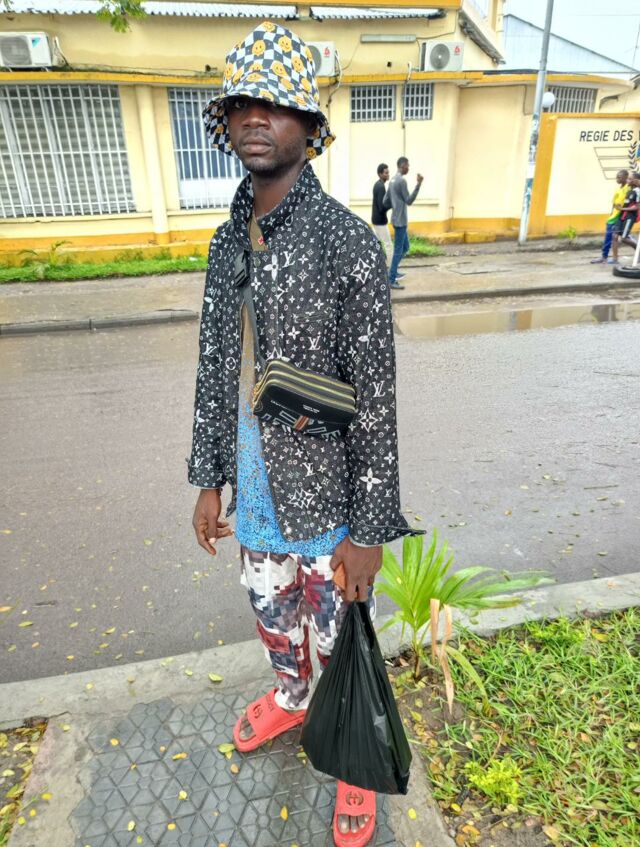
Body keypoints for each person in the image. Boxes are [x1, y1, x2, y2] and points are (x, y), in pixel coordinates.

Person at [188, 21, 415, 847]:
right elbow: (216, 365)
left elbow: (376, 399)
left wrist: (369, 529)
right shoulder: (226, 242)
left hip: (329, 503)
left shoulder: (347, 243)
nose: (258, 117)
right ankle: (291, 696)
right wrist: (209, 477)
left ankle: (352, 752)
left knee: (338, 630)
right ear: (227, 123)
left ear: (310, 129)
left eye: (278, 105)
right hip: (254, 494)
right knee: (271, 611)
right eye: (243, 104)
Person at [386, 156, 423, 289]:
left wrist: (394, 207)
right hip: (401, 221)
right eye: (408, 165)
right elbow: (409, 201)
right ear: (402, 166)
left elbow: (386, 200)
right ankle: (391, 279)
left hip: (396, 219)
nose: (409, 168)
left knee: (406, 247)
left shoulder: (392, 180)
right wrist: (418, 184)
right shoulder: (401, 181)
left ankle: (393, 271)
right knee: (398, 250)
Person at [590, 169, 628, 264]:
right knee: (613, 236)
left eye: (619, 177)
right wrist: (611, 214)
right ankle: (604, 256)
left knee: (618, 236)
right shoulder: (618, 189)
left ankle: (605, 257)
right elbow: (614, 204)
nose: (617, 179)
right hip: (613, 216)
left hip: (620, 216)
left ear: (625, 177)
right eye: (617, 177)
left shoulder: (627, 188)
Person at [611, 171, 639, 265]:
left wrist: (622, 208)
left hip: (629, 217)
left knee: (623, 238)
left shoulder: (637, 191)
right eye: (627, 178)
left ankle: (638, 251)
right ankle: (615, 259)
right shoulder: (629, 189)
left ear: (635, 181)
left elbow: (637, 207)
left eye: (630, 179)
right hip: (622, 215)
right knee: (615, 236)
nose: (627, 180)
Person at [371, 162, 393, 262]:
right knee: (388, 244)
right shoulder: (380, 187)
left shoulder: (378, 184)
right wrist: (392, 204)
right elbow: (381, 207)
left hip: (376, 219)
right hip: (380, 221)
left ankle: (377, 265)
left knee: (376, 244)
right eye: (386, 173)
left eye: (388, 172)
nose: (388, 175)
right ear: (380, 174)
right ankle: (391, 268)